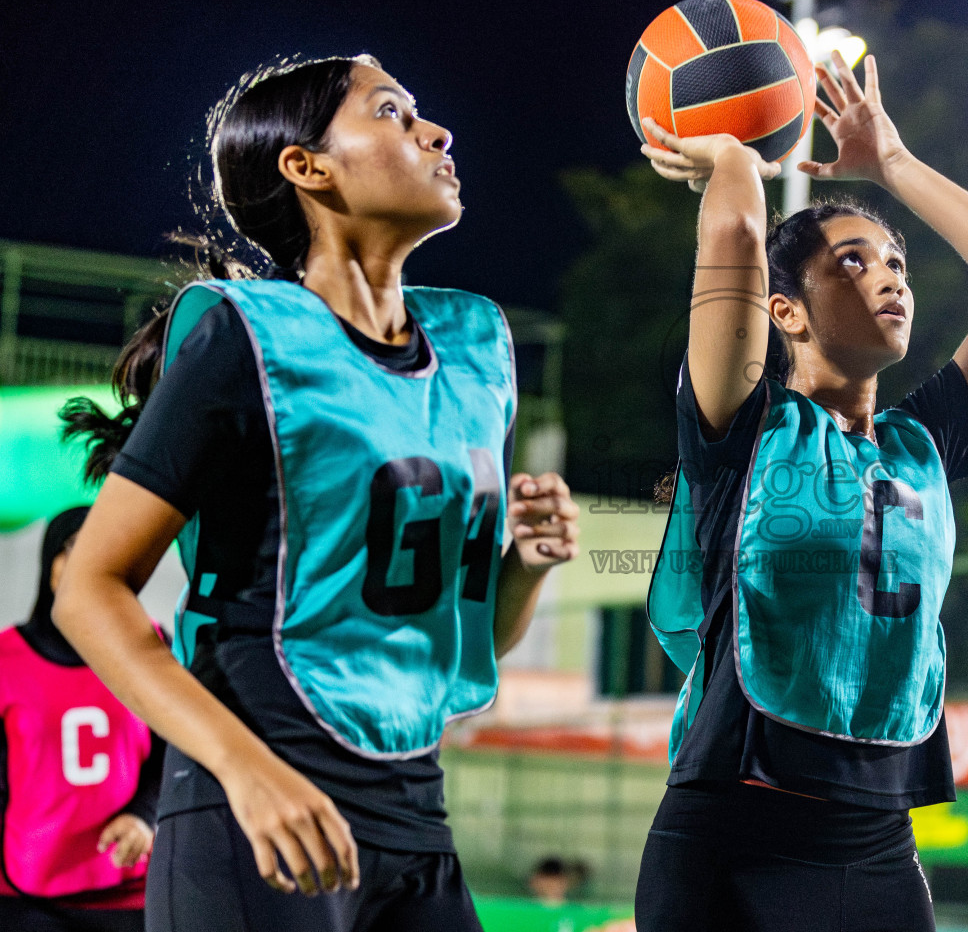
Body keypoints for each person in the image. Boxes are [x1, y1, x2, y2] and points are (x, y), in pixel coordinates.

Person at [52, 55, 580, 932]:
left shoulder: (476, 353)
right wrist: (244, 770)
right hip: (258, 805)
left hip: (416, 815)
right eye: (390, 112)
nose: (435, 131)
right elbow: (88, 590)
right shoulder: (243, 338)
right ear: (308, 168)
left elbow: (465, 642)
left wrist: (522, 568)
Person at [634, 49, 968, 931]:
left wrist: (894, 165)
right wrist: (733, 159)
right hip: (733, 831)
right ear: (785, 311)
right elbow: (735, 240)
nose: (890, 277)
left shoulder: (923, 443)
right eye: (854, 263)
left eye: (897, 264)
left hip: (876, 846)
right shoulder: (745, 432)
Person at [0, 508, 164, 932]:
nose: (88, 562)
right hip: (18, 891)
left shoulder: (150, 648)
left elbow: (175, 746)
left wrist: (144, 814)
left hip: (126, 890)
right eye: (73, 549)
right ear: (50, 566)